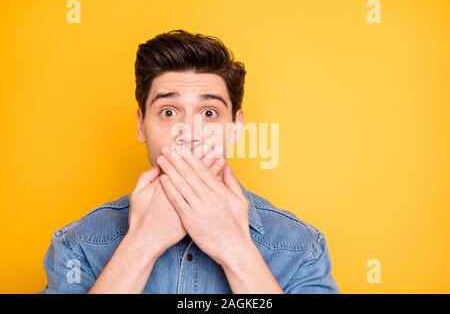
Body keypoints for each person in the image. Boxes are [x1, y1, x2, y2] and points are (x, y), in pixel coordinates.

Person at [41, 30, 339, 294]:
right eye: (168, 112)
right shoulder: (77, 245)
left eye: (209, 113)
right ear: (141, 125)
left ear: (236, 127)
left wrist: (234, 247)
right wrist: (141, 243)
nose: (189, 133)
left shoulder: (302, 247)